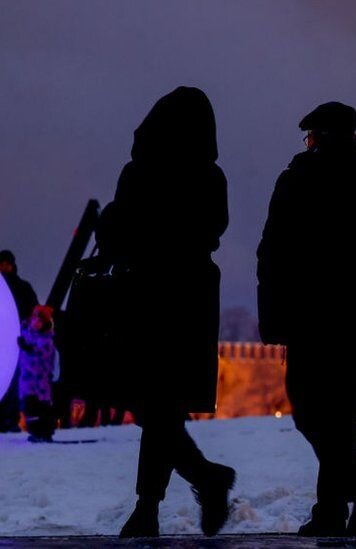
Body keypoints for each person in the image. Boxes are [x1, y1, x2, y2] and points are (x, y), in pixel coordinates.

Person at [257, 101, 356, 536]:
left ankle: (333, 509)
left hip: (327, 321)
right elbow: (271, 252)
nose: (308, 143)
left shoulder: (319, 181)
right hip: (338, 322)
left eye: (311, 136)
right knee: (323, 416)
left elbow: (272, 254)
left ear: (323, 137)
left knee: (322, 415)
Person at [99, 87, 235, 538]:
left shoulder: (139, 173)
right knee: (163, 407)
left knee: (153, 405)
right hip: (190, 298)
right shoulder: (210, 177)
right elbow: (213, 228)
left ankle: (155, 506)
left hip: (145, 297)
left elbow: (116, 230)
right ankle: (188, 487)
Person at [0, 250, 39, 433]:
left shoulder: (22, 288)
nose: (4, 267)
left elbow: (34, 314)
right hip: (9, 343)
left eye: (7, 263)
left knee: (14, 384)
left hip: (18, 344)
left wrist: (29, 337)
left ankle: (10, 419)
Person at [17, 305, 57, 442]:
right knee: (29, 408)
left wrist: (29, 349)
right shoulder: (26, 332)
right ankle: (36, 432)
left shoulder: (46, 339)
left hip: (40, 383)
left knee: (41, 408)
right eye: (35, 318)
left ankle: (44, 432)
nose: (36, 322)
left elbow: (43, 357)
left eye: (40, 321)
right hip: (27, 381)